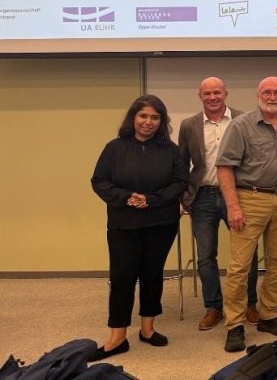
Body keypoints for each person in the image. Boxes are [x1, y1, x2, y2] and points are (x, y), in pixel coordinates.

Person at [89, 95, 188, 361]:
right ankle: (117, 336)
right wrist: (126, 197)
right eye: (143, 116)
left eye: (155, 117)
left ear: (161, 121)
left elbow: (181, 182)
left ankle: (147, 329)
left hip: (161, 222)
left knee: (152, 275)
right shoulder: (114, 148)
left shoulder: (171, 150)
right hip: (124, 223)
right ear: (133, 118)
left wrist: (151, 200)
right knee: (122, 277)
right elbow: (99, 181)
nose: (148, 122)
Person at [216, 77, 277, 352]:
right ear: (258, 94)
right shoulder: (240, 125)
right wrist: (233, 206)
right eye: (267, 92)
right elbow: (224, 167)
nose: (272, 96)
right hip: (249, 199)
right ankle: (234, 324)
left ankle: (268, 314)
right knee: (240, 266)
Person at [178, 77, 259, 331]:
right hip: (202, 197)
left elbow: (253, 159)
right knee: (205, 256)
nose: (212, 97)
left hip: (237, 196)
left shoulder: (243, 119)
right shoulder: (188, 125)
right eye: (207, 93)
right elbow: (182, 164)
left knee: (247, 253)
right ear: (200, 96)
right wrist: (183, 198)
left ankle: (249, 304)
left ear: (226, 93)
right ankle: (213, 307)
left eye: (217, 92)